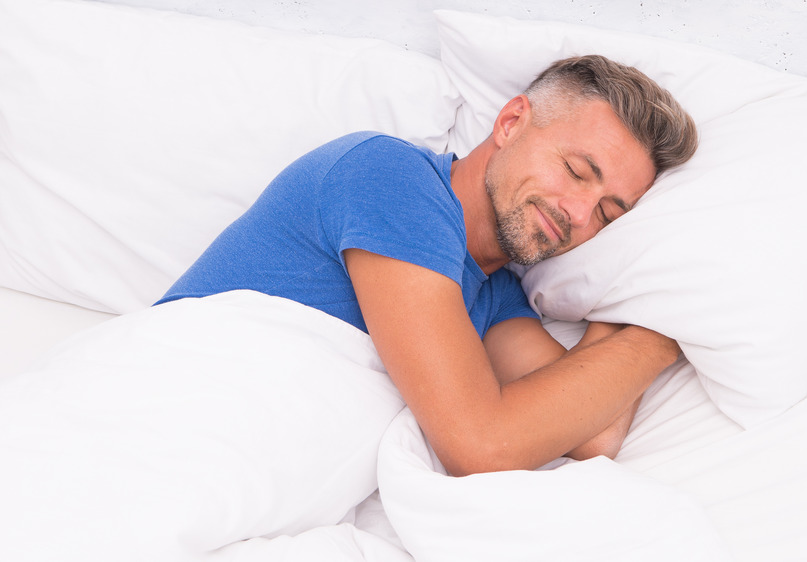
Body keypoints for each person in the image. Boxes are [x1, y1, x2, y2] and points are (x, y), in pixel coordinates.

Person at [157, 55, 698, 476]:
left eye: (608, 214)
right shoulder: (390, 177)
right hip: (173, 411)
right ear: (511, 122)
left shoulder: (495, 297)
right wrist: (658, 341)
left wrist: (627, 303)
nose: (579, 214)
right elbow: (482, 445)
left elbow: (593, 436)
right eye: (577, 171)